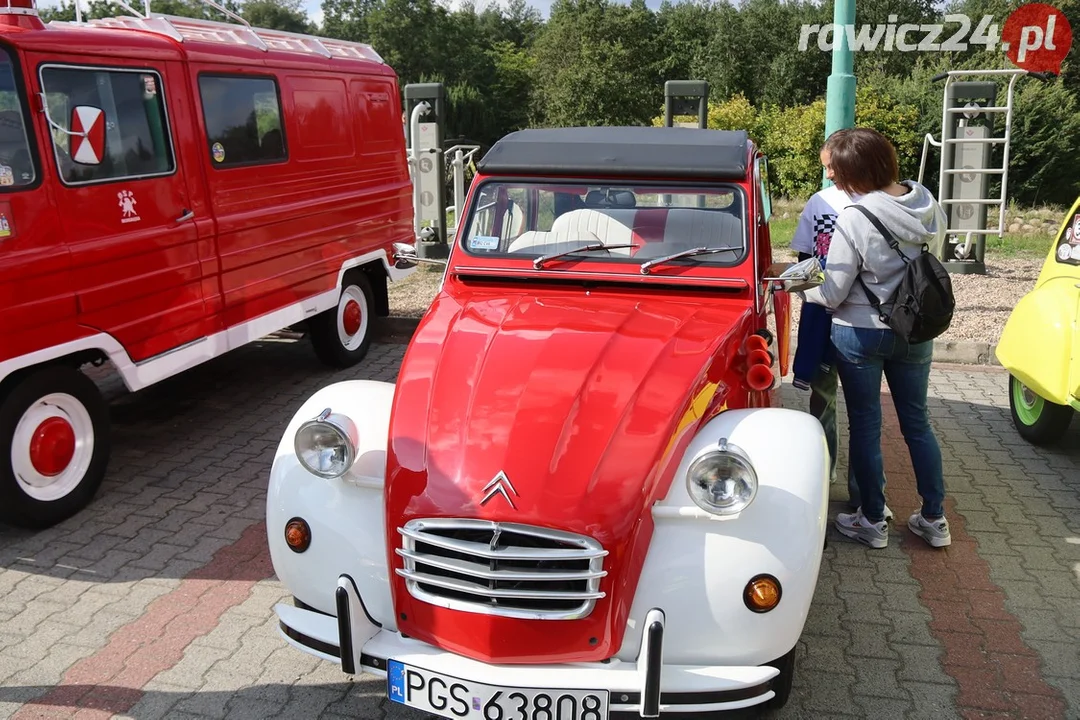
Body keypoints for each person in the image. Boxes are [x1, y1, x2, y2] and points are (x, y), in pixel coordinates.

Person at [800, 127, 951, 550]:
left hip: (861, 334)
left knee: (866, 425)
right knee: (917, 423)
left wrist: (798, 286)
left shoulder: (856, 216)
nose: (832, 179)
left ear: (856, 170)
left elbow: (832, 292)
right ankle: (935, 519)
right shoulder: (926, 202)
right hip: (916, 327)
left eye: (835, 171)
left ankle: (871, 519)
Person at [790, 152, 892, 521]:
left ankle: (865, 495)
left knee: (865, 415)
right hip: (822, 312)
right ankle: (822, 476)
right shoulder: (820, 201)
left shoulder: (883, 204)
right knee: (823, 399)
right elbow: (805, 255)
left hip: (862, 321)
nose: (828, 172)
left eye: (833, 165)